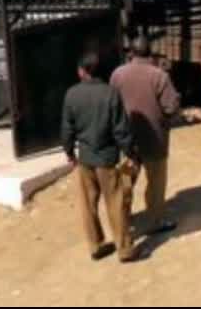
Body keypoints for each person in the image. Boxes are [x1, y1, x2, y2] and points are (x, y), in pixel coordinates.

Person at [61, 51, 140, 262]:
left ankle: (96, 245)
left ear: (81, 71)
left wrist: (69, 152)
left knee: (88, 205)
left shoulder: (71, 94)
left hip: (85, 158)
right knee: (116, 202)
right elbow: (121, 130)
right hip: (107, 158)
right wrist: (130, 152)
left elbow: (67, 129)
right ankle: (124, 249)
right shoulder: (111, 94)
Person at [110, 36, 182, 235]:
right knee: (156, 182)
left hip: (126, 139)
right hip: (155, 138)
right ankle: (155, 220)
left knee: (126, 181)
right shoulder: (159, 76)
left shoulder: (117, 74)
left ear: (131, 53)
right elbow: (170, 107)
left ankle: (122, 218)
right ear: (150, 53)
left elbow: (112, 104)